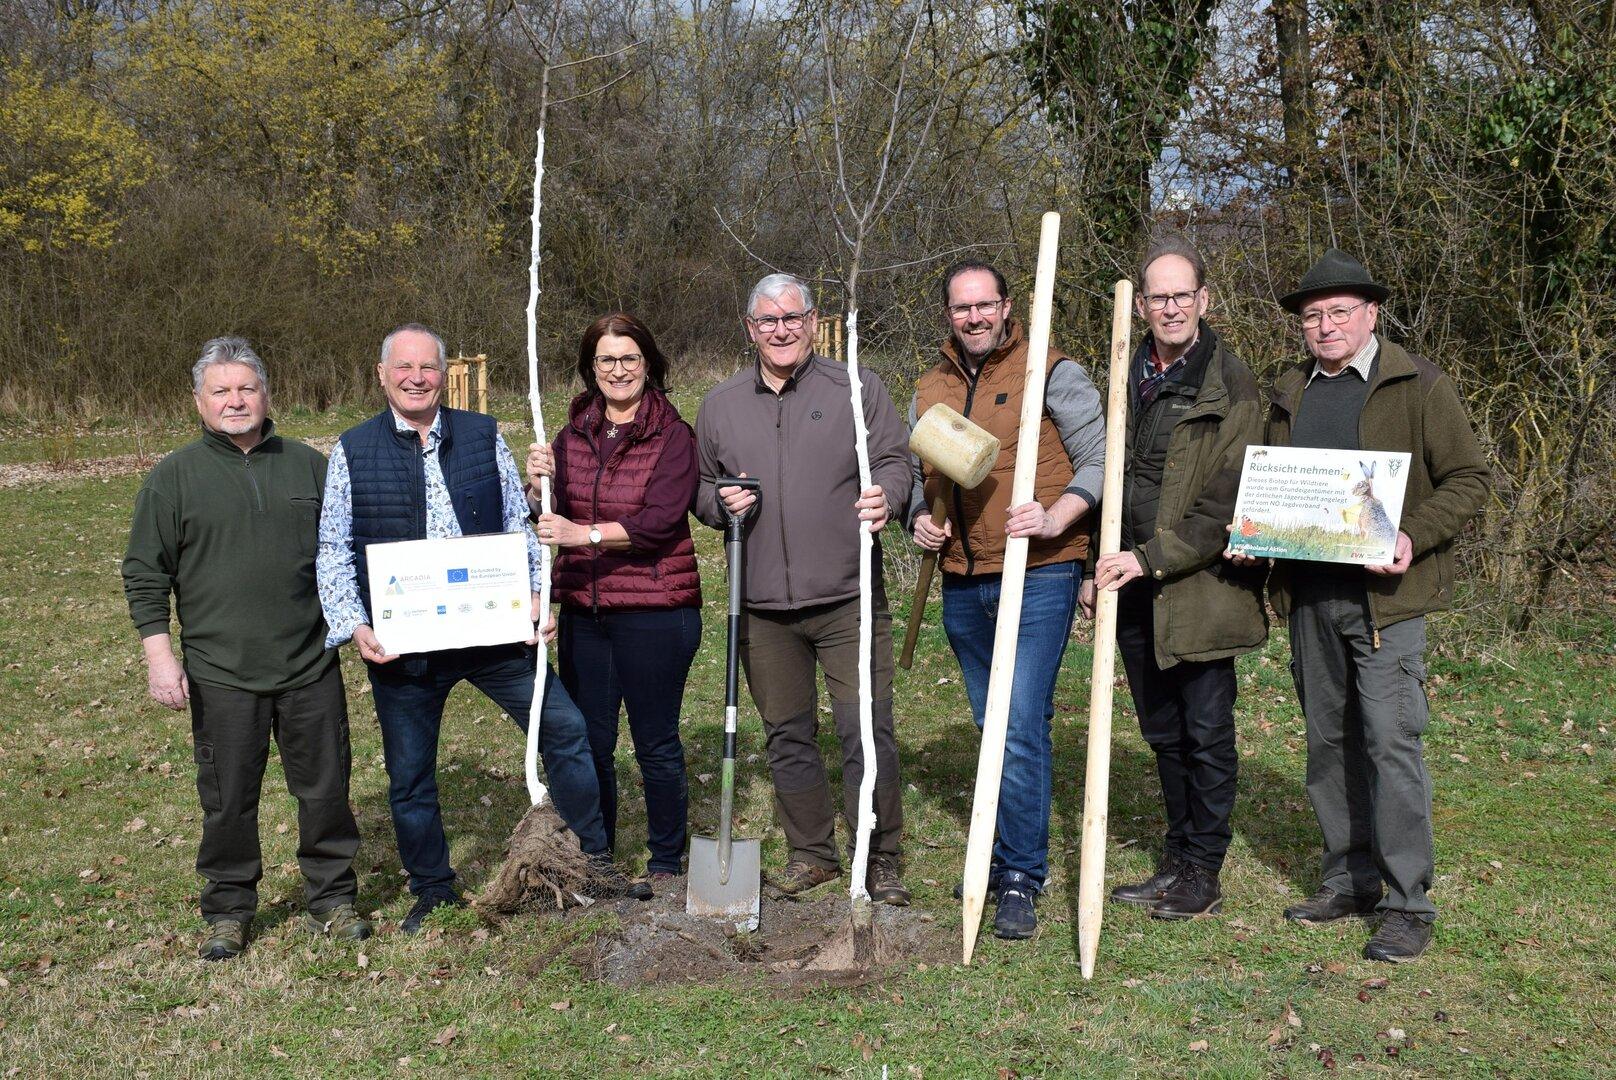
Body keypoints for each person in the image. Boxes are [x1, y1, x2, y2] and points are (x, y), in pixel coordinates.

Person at [317, 323, 633, 934]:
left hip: (493, 634)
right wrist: (353, 623)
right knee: (410, 773)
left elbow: (519, 521)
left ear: (445, 373)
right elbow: (332, 548)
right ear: (382, 375)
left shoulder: (483, 435)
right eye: (403, 367)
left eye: (428, 367)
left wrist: (536, 593)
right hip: (405, 647)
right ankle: (433, 888)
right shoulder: (352, 450)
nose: (416, 378)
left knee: (565, 731)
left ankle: (587, 862)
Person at [1241, 249, 1488, 961]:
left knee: (1390, 743)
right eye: (1313, 315)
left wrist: (1413, 535)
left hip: (1386, 602)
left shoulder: (1416, 384)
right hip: (1311, 599)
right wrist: (1254, 536)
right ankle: (1349, 880)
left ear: (1371, 314)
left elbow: (1469, 479)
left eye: (1339, 311)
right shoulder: (1289, 392)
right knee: (1327, 744)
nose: (1326, 325)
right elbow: (1273, 491)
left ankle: (1409, 901)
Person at [122, 336, 367, 961]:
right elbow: (145, 573)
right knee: (229, 797)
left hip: (309, 663)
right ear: (200, 402)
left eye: (247, 388)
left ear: (266, 393)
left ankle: (333, 899)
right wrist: (160, 656)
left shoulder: (309, 465)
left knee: (325, 789)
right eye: (221, 391)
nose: (236, 401)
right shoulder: (173, 478)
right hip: (221, 672)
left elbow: (351, 553)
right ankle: (228, 910)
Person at [694, 273, 912, 904]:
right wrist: (718, 502)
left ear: (813, 322)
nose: (781, 330)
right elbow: (700, 487)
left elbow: (897, 460)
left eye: (792, 318)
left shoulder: (855, 389)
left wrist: (887, 499)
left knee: (864, 728)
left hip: (848, 596)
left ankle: (879, 857)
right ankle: (812, 853)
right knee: (787, 733)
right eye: (768, 321)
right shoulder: (721, 404)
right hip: (761, 607)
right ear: (750, 328)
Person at [910, 260, 1106, 939]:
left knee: (1017, 721)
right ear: (948, 315)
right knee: (995, 725)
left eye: (985, 305)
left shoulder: (1051, 370)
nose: (974, 318)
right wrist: (919, 518)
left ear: (1006, 306)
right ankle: (1002, 854)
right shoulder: (930, 386)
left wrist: (1059, 516)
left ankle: (1021, 872)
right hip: (964, 579)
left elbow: (1103, 459)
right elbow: (922, 478)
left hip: (1041, 568)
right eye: (962, 308)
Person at [1085, 237, 1267, 920]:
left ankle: (1204, 871)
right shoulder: (1126, 372)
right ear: (1141, 304)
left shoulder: (1233, 389)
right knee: (1162, 732)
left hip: (1200, 591)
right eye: (1157, 297)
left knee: (1205, 733)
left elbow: (1228, 504)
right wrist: (1094, 565)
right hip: (1133, 589)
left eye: (1180, 295)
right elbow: (1114, 479)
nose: (1169, 307)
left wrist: (1149, 558)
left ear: (1204, 299)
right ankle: (1177, 856)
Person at [524, 313, 701, 890]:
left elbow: (659, 521)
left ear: (647, 364)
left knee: (655, 741)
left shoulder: (674, 434)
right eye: (606, 359)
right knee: (591, 740)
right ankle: (596, 855)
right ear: (590, 368)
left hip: (654, 609)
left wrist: (586, 534)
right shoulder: (573, 433)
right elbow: (547, 514)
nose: (618, 369)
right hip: (585, 610)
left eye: (628, 358)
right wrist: (535, 487)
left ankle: (666, 861)